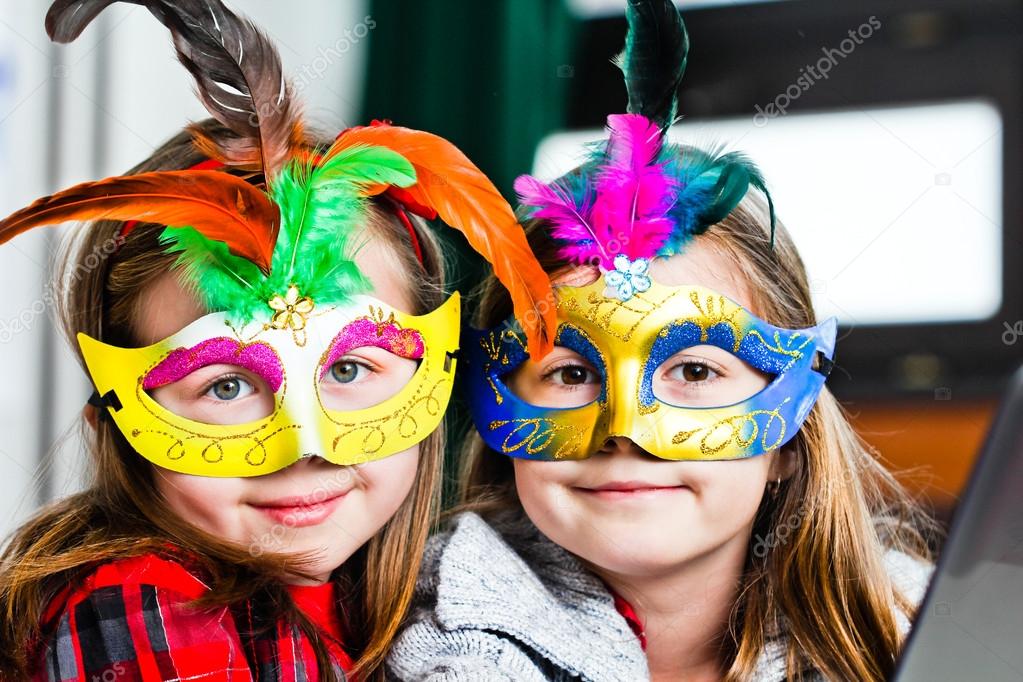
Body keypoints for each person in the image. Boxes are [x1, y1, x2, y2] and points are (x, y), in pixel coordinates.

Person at [0, 1, 553, 680]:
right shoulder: (144, 605)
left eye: (349, 369)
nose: (307, 449)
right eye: (226, 386)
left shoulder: (418, 606)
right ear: (111, 422)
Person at [387, 1, 936, 680]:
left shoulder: (919, 630)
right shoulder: (429, 652)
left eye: (696, 371)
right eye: (567, 373)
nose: (623, 429)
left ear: (790, 438)